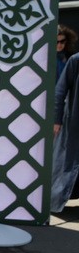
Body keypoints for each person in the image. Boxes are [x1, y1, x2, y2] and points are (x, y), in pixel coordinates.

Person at [52, 51, 79, 212]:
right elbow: (60, 91)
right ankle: (56, 199)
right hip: (74, 122)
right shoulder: (76, 61)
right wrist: (57, 119)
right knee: (66, 163)